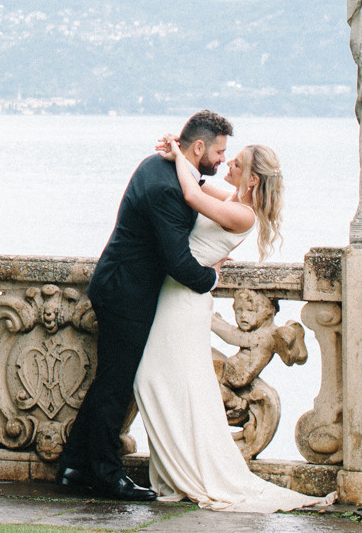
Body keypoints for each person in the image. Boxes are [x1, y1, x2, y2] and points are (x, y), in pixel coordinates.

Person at [131, 136, 328, 511]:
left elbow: (192, 196)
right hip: (176, 294)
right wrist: (184, 155)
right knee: (167, 381)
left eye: (236, 163)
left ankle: (188, 469)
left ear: (252, 179)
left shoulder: (244, 214)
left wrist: (178, 157)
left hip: (185, 300)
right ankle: (177, 467)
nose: (229, 165)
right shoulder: (232, 200)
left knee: (158, 379)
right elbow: (199, 184)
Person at [56, 108, 231, 500]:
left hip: (120, 284)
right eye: (218, 152)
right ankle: (105, 473)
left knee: (110, 381)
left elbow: (193, 185)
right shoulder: (167, 188)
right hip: (126, 293)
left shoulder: (160, 166)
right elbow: (180, 264)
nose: (221, 159)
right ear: (198, 146)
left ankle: (74, 465)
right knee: (117, 386)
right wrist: (214, 276)